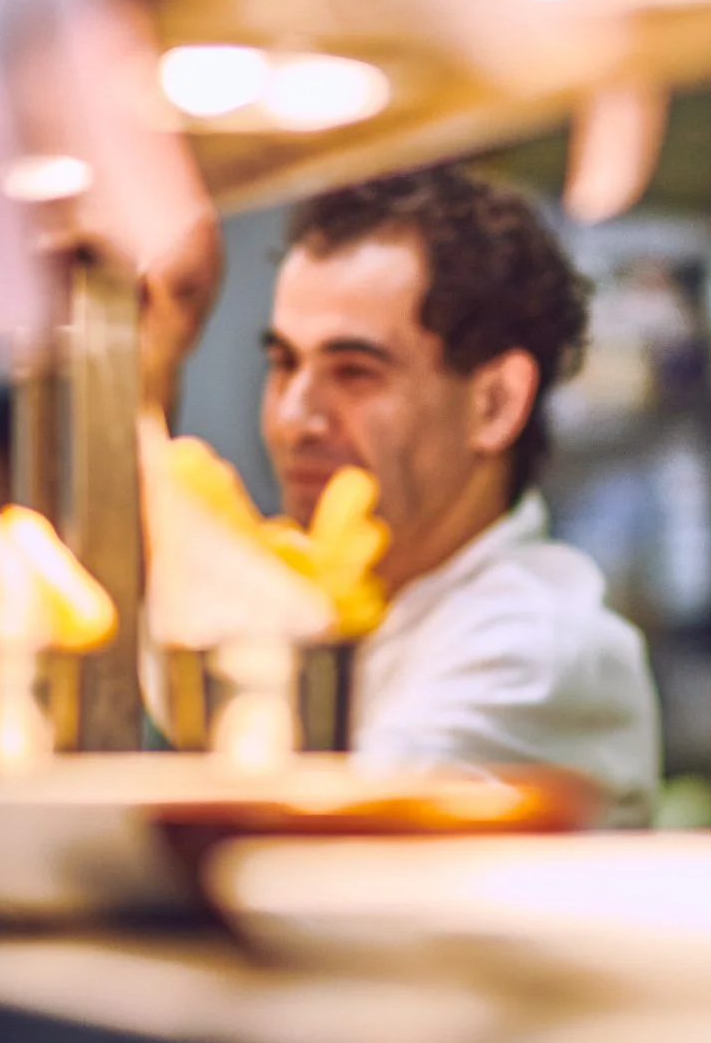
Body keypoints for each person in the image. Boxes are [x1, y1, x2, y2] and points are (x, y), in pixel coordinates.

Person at [263, 166, 661, 825]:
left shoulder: (535, 650)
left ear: (494, 403)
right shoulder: (347, 609)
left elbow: (311, 834)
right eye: (283, 364)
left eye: (354, 371)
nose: (295, 417)